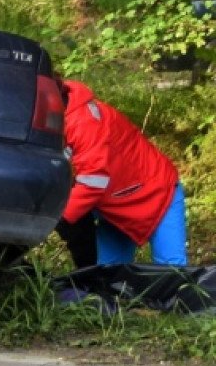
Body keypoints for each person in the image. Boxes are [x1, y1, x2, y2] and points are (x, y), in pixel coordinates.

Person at [54, 79, 189, 268]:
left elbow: (93, 181)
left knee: (172, 272)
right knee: (109, 275)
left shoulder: (83, 121)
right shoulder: (57, 117)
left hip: (158, 195)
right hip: (115, 208)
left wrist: (57, 215)